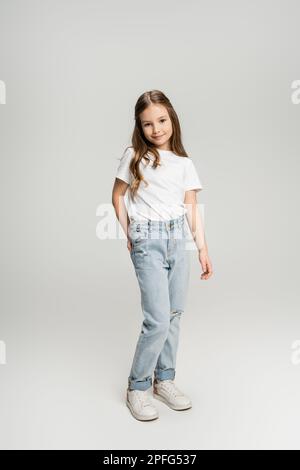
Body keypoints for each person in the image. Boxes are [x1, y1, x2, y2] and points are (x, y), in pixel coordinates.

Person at [112, 89, 213, 421]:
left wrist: (202, 249)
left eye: (161, 120)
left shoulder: (184, 163)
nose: (156, 129)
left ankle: (164, 381)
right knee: (156, 319)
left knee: (173, 315)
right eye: (147, 124)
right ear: (139, 128)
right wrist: (130, 234)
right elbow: (117, 197)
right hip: (147, 239)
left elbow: (191, 209)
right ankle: (137, 387)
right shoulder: (133, 156)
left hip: (177, 239)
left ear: (172, 119)